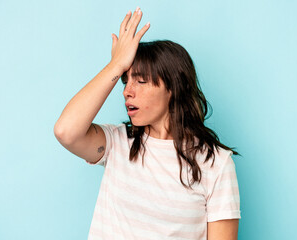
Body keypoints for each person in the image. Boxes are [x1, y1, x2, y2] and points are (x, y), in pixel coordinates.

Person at [54, 7, 241, 240]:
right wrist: (116, 65)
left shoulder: (216, 162)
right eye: (125, 81)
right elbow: (65, 131)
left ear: (173, 88)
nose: (127, 92)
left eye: (140, 81)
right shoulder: (116, 142)